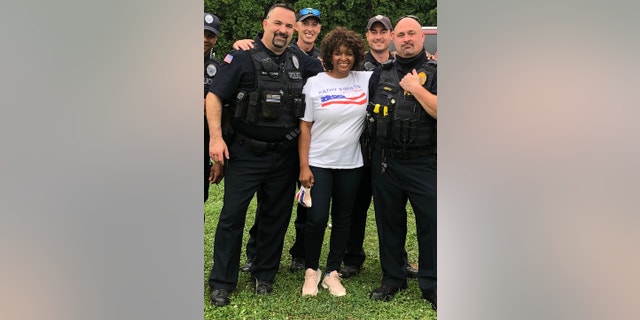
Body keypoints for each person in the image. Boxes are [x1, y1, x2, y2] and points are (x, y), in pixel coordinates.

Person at [205, 3, 323, 307]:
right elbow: (214, 96)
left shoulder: (302, 61)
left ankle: (264, 275)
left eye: (288, 26)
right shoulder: (241, 58)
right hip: (244, 153)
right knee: (232, 218)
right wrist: (216, 138)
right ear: (265, 23)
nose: (283, 30)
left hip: (283, 156)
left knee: (275, 217)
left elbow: (333, 73)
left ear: (294, 29)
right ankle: (221, 282)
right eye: (277, 24)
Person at [238, 7, 323, 274]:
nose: (309, 29)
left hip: (300, 142)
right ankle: (255, 254)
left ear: (319, 29)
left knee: (293, 206)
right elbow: (255, 50)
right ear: (296, 27)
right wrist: (240, 44)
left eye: (315, 25)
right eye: (304, 24)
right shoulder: (284, 49)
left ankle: (298, 255)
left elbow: (342, 70)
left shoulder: (319, 59)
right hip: (262, 143)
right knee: (266, 204)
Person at [365, 15, 437, 311]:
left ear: (422, 38)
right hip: (386, 162)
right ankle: (393, 278)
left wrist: (417, 89)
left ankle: (432, 284)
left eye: (413, 34)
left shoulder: (436, 72)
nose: (407, 39)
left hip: (425, 161)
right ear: (394, 38)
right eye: (402, 34)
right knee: (389, 223)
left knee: (431, 225)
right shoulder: (380, 73)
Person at [340, 14, 418, 279]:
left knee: (394, 211)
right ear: (367, 37)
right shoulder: (354, 66)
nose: (378, 36)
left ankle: (399, 260)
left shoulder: (403, 66)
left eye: (383, 31)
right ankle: (352, 257)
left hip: (390, 150)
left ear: (391, 35)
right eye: (373, 32)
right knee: (356, 205)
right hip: (360, 146)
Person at [298, 26, 370, 297]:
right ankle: (311, 271)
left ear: (356, 56)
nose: (344, 58)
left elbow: (394, 66)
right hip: (318, 161)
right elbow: (305, 126)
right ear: (329, 54)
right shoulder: (315, 82)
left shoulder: (364, 79)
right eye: (338, 53)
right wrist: (304, 166)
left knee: (343, 219)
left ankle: (332, 273)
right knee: (316, 219)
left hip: (351, 164)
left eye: (349, 54)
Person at [204, 13, 224, 204]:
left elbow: (221, 110)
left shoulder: (217, 69)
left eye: (209, 35)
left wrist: (218, 161)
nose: (204, 39)